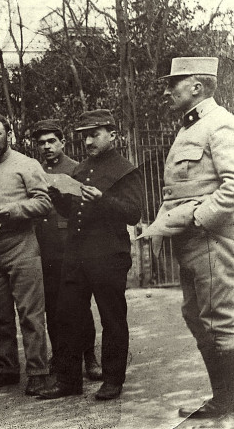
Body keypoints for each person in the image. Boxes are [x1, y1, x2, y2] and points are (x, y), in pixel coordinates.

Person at [38, 110, 143, 401]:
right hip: (76, 255)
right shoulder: (80, 169)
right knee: (67, 316)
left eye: (94, 134)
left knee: (112, 319)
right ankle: (69, 381)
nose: (88, 141)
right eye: (84, 135)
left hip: (108, 255)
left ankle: (112, 380)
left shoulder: (126, 169)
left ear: (112, 134)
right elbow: (72, 212)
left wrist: (103, 198)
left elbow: (134, 214)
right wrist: (57, 195)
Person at [153, 57, 234, 421]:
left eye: (174, 83)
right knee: (196, 316)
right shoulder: (189, 128)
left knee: (219, 320)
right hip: (192, 241)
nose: (167, 90)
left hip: (211, 240)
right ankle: (223, 397)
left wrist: (199, 220)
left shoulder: (220, 125)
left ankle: (228, 402)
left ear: (197, 87)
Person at [0, 114, 51, 396]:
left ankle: (39, 372)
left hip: (21, 243)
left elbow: (44, 203)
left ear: (9, 135)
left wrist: (13, 210)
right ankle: (5, 369)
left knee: (30, 313)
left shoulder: (27, 165)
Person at [32, 119, 102, 381]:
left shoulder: (77, 168)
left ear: (62, 142)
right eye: (41, 143)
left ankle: (89, 357)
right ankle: (61, 355)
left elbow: (82, 209)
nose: (47, 146)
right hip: (45, 248)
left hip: (70, 246)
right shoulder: (34, 170)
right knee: (52, 306)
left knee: (79, 305)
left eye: (51, 141)